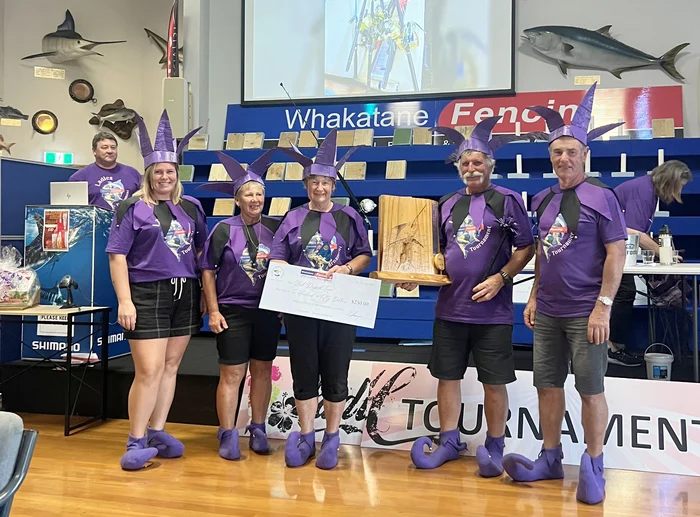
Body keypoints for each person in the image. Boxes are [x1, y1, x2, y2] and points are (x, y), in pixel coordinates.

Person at [501, 83, 627, 505]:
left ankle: (594, 465)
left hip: (586, 313)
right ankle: (550, 458)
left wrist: (603, 307)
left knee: (590, 390)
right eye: (557, 152)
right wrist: (535, 295)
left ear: (584, 154)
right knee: (547, 386)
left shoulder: (603, 197)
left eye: (571, 151)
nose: (564, 158)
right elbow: (544, 251)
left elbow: (616, 253)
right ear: (550, 156)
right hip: (549, 312)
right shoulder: (542, 199)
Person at [399, 117, 534, 475]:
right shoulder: (445, 203)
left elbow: (526, 246)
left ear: (490, 165)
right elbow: (436, 254)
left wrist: (501, 279)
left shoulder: (507, 200)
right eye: (465, 163)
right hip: (449, 309)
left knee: (494, 382)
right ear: (458, 167)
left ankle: (495, 446)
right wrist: (416, 276)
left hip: (493, 312)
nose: (471, 168)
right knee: (447, 377)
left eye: (477, 162)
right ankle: (449, 441)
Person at [106, 111, 206, 471]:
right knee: (148, 370)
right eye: (158, 172)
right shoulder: (131, 207)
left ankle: (157, 431)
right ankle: (135, 441)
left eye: (170, 172)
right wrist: (125, 301)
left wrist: (205, 295)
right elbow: (117, 256)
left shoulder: (191, 207)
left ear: (177, 174)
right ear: (149, 175)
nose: (165, 177)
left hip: (185, 292)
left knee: (171, 366)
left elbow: (200, 253)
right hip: (147, 293)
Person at [269, 128, 372, 470]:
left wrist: (347, 268)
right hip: (301, 309)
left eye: (325, 182)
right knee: (304, 371)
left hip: (338, 308)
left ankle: (331, 436)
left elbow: (364, 255)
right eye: (314, 182)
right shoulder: (293, 218)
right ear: (306, 185)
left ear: (333, 185)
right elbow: (277, 259)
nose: (320, 187)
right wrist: (292, 274)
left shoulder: (349, 216)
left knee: (335, 372)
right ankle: (305, 435)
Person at [197, 149, 282, 460]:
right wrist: (213, 310)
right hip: (232, 310)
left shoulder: (276, 228)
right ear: (237, 199)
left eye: (259, 194)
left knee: (262, 370)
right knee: (232, 374)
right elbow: (207, 270)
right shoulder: (223, 229)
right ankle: (227, 432)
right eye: (248, 194)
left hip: (267, 311)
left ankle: (258, 429)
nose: (255, 199)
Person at [608, 160, 692, 366]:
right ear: (670, 181)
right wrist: (663, 253)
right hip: (606, 248)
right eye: (679, 186)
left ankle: (615, 346)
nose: (679, 191)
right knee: (625, 291)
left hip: (613, 247)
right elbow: (633, 232)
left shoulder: (647, 189)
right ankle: (611, 348)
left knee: (624, 291)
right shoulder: (643, 192)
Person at [69, 131, 142, 210]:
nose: (110, 151)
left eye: (113, 147)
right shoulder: (79, 178)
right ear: (94, 151)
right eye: (104, 147)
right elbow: (74, 211)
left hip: (128, 218)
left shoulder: (132, 173)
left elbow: (145, 202)